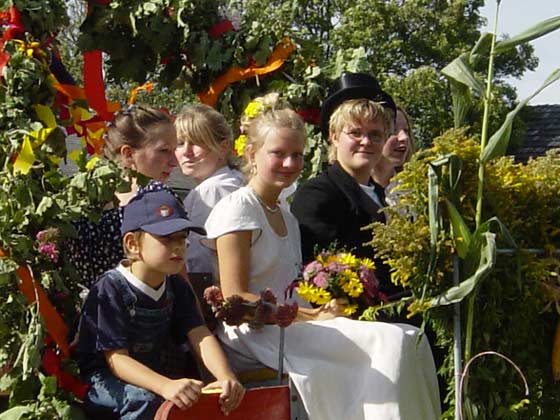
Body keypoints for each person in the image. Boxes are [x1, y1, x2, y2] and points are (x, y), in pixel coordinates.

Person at [203, 101, 441, 420]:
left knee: (412, 339)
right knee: (390, 340)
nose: (290, 163)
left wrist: (319, 311)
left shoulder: (285, 215)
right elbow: (236, 298)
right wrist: (311, 316)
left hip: (291, 324)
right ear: (251, 155)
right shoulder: (239, 208)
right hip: (255, 334)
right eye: (278, 153)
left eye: (297, 155)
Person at [75, 187, 245, 419]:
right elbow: (116, 360)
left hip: (154, 377)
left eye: (183, 238)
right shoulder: (110, 288)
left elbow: (200, 335)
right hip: (102, 382)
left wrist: (226, 376)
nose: (178, 246)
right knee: (142, 400)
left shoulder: (175, 285)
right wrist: (164, 386)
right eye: (166, 238)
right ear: (133, 244)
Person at [291, 72, 400, 297]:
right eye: (355, 133)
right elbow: (316, 272)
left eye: (375, 134)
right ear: (334, 136)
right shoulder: (319, 194)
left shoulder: (382, 194)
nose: (366, 142)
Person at [66, 104, 179, 289]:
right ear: (128, 153)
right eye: (164, 151)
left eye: (175, 150)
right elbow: (177, 275)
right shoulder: (157, 197)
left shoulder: (83, 198)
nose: (174, 162)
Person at [174, 103, 244, 277]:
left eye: (197, 142)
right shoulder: (239, 181)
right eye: (180, 143)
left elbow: (199, 260)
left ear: (224, 147)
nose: (187, 152)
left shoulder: (211, 190)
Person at [371, 106, 416, 207]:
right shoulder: (355, 189)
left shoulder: (414, 191)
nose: (404, 137)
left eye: (406, 130)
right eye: (394, 130)